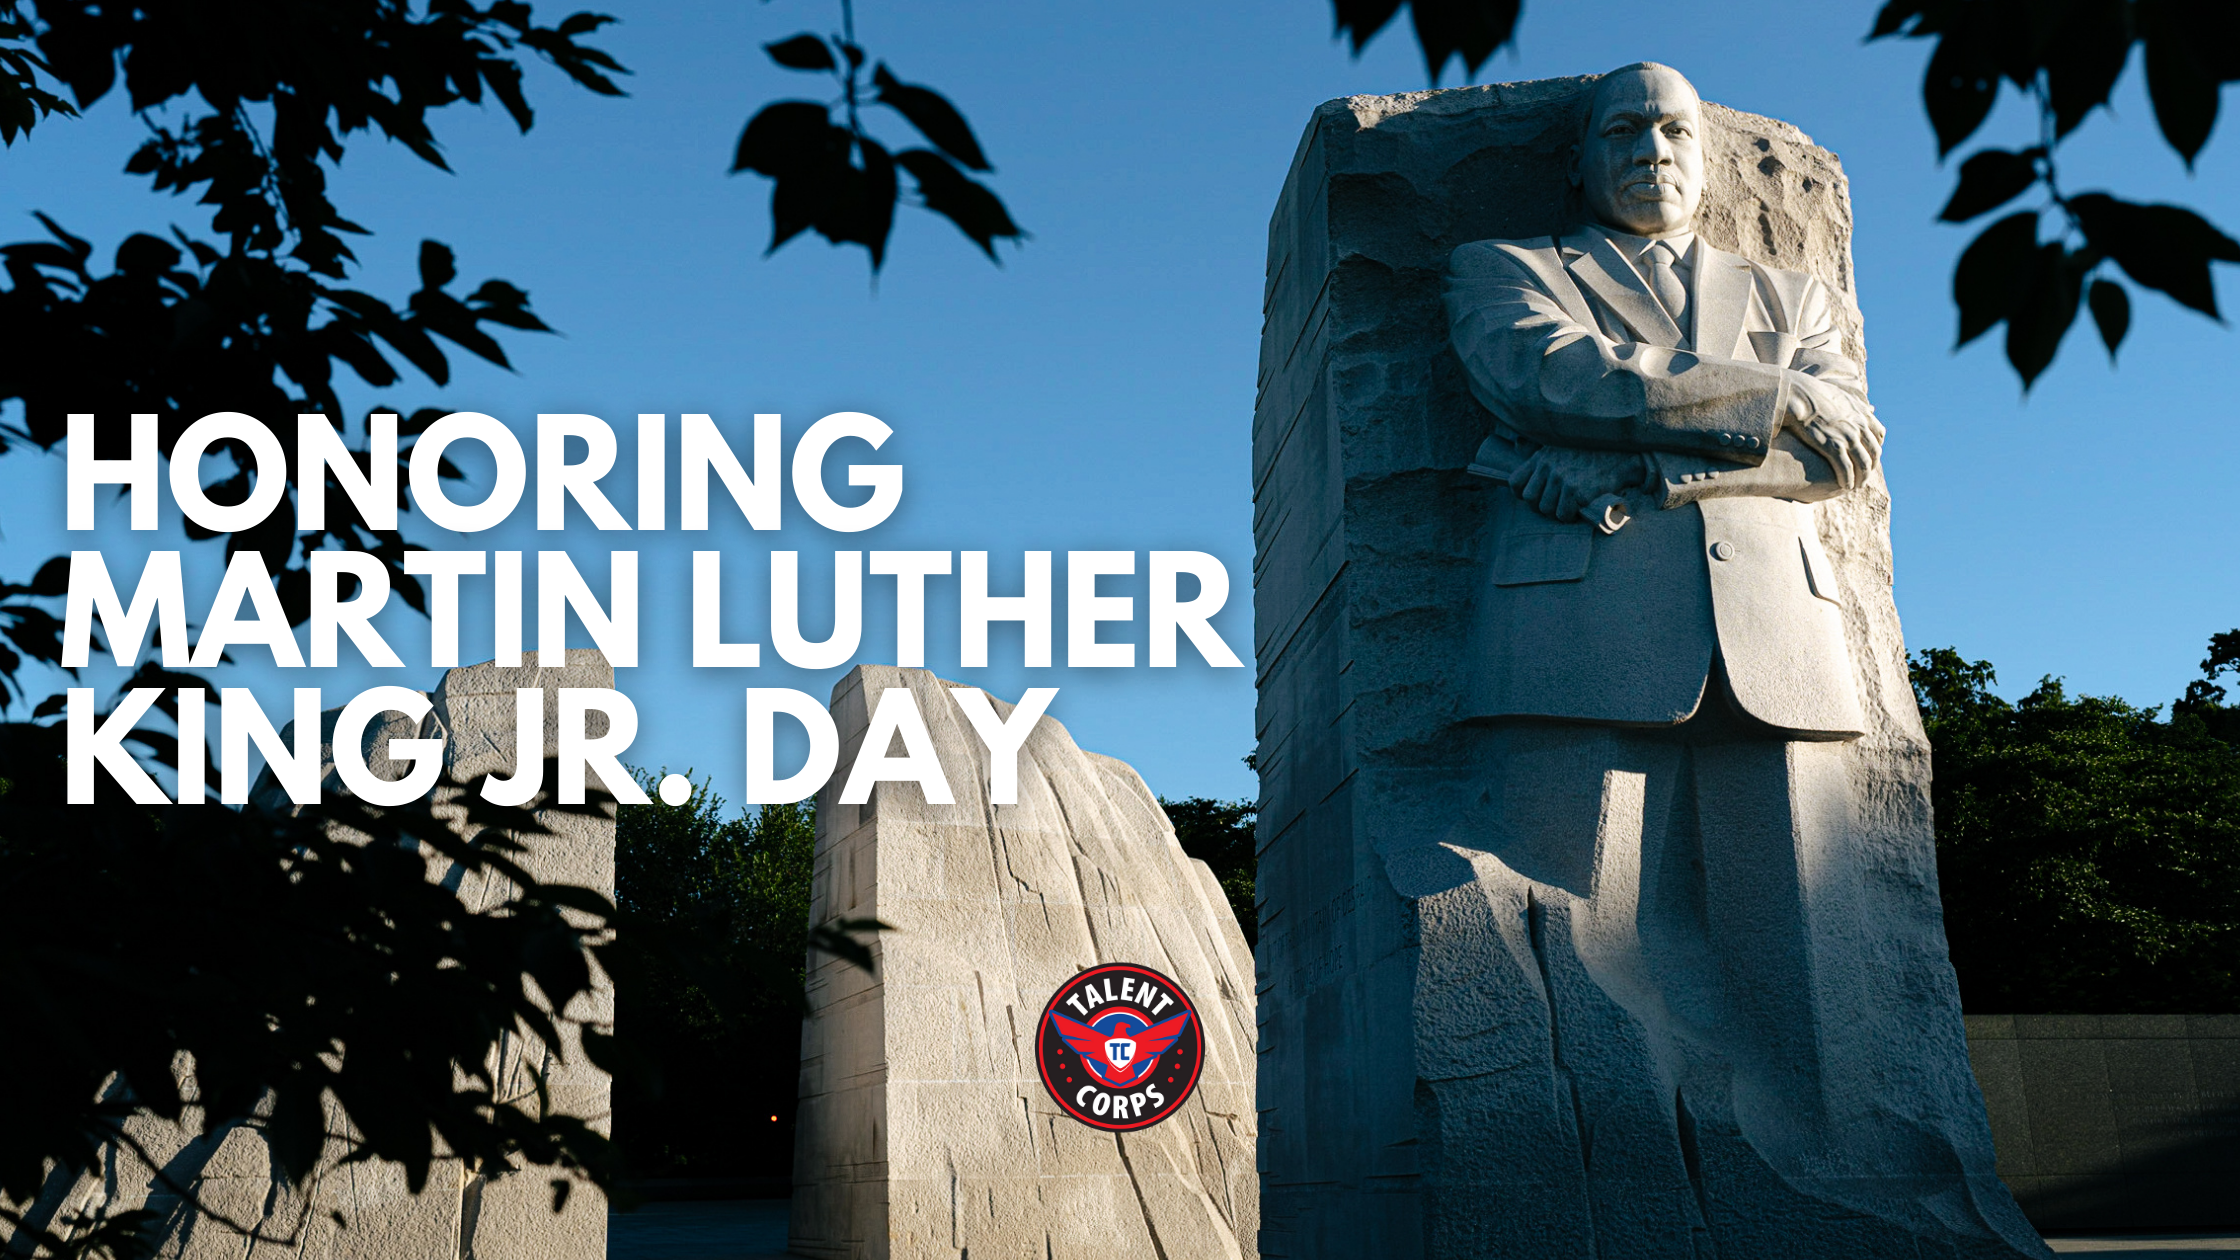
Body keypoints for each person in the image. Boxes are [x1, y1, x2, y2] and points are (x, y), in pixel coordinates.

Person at [1434, 63, 2044, 1257]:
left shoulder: (1792, 292)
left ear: (1704, 160)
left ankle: (1849, 1182)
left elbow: (1838, 457)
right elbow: (1549, 377)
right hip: (1578, 631)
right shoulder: (1505, 270)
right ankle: (1600, 1193)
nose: (1649, 148)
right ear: (1579, 157)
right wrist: (1770, 397)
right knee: (1575, 933)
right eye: (1622, 128)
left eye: (1672, 129)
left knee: (1810, 963)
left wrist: (1642, 465)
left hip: (1777, 632)